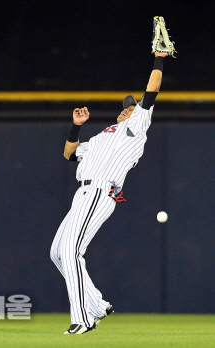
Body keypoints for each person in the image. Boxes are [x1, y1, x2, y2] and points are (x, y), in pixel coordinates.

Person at [50, 51, 169, 334]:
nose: (127, 108)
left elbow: (151, 91)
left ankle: (82, 319)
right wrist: (75, 127)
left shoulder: (136, 128)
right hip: (82, 195)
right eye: (126, 107)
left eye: (131, 106)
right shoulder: (102, 135)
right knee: (57, 253)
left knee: (71, 251)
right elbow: (68, 155)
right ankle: (97, 305)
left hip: (101, 193)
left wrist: (159, 59)